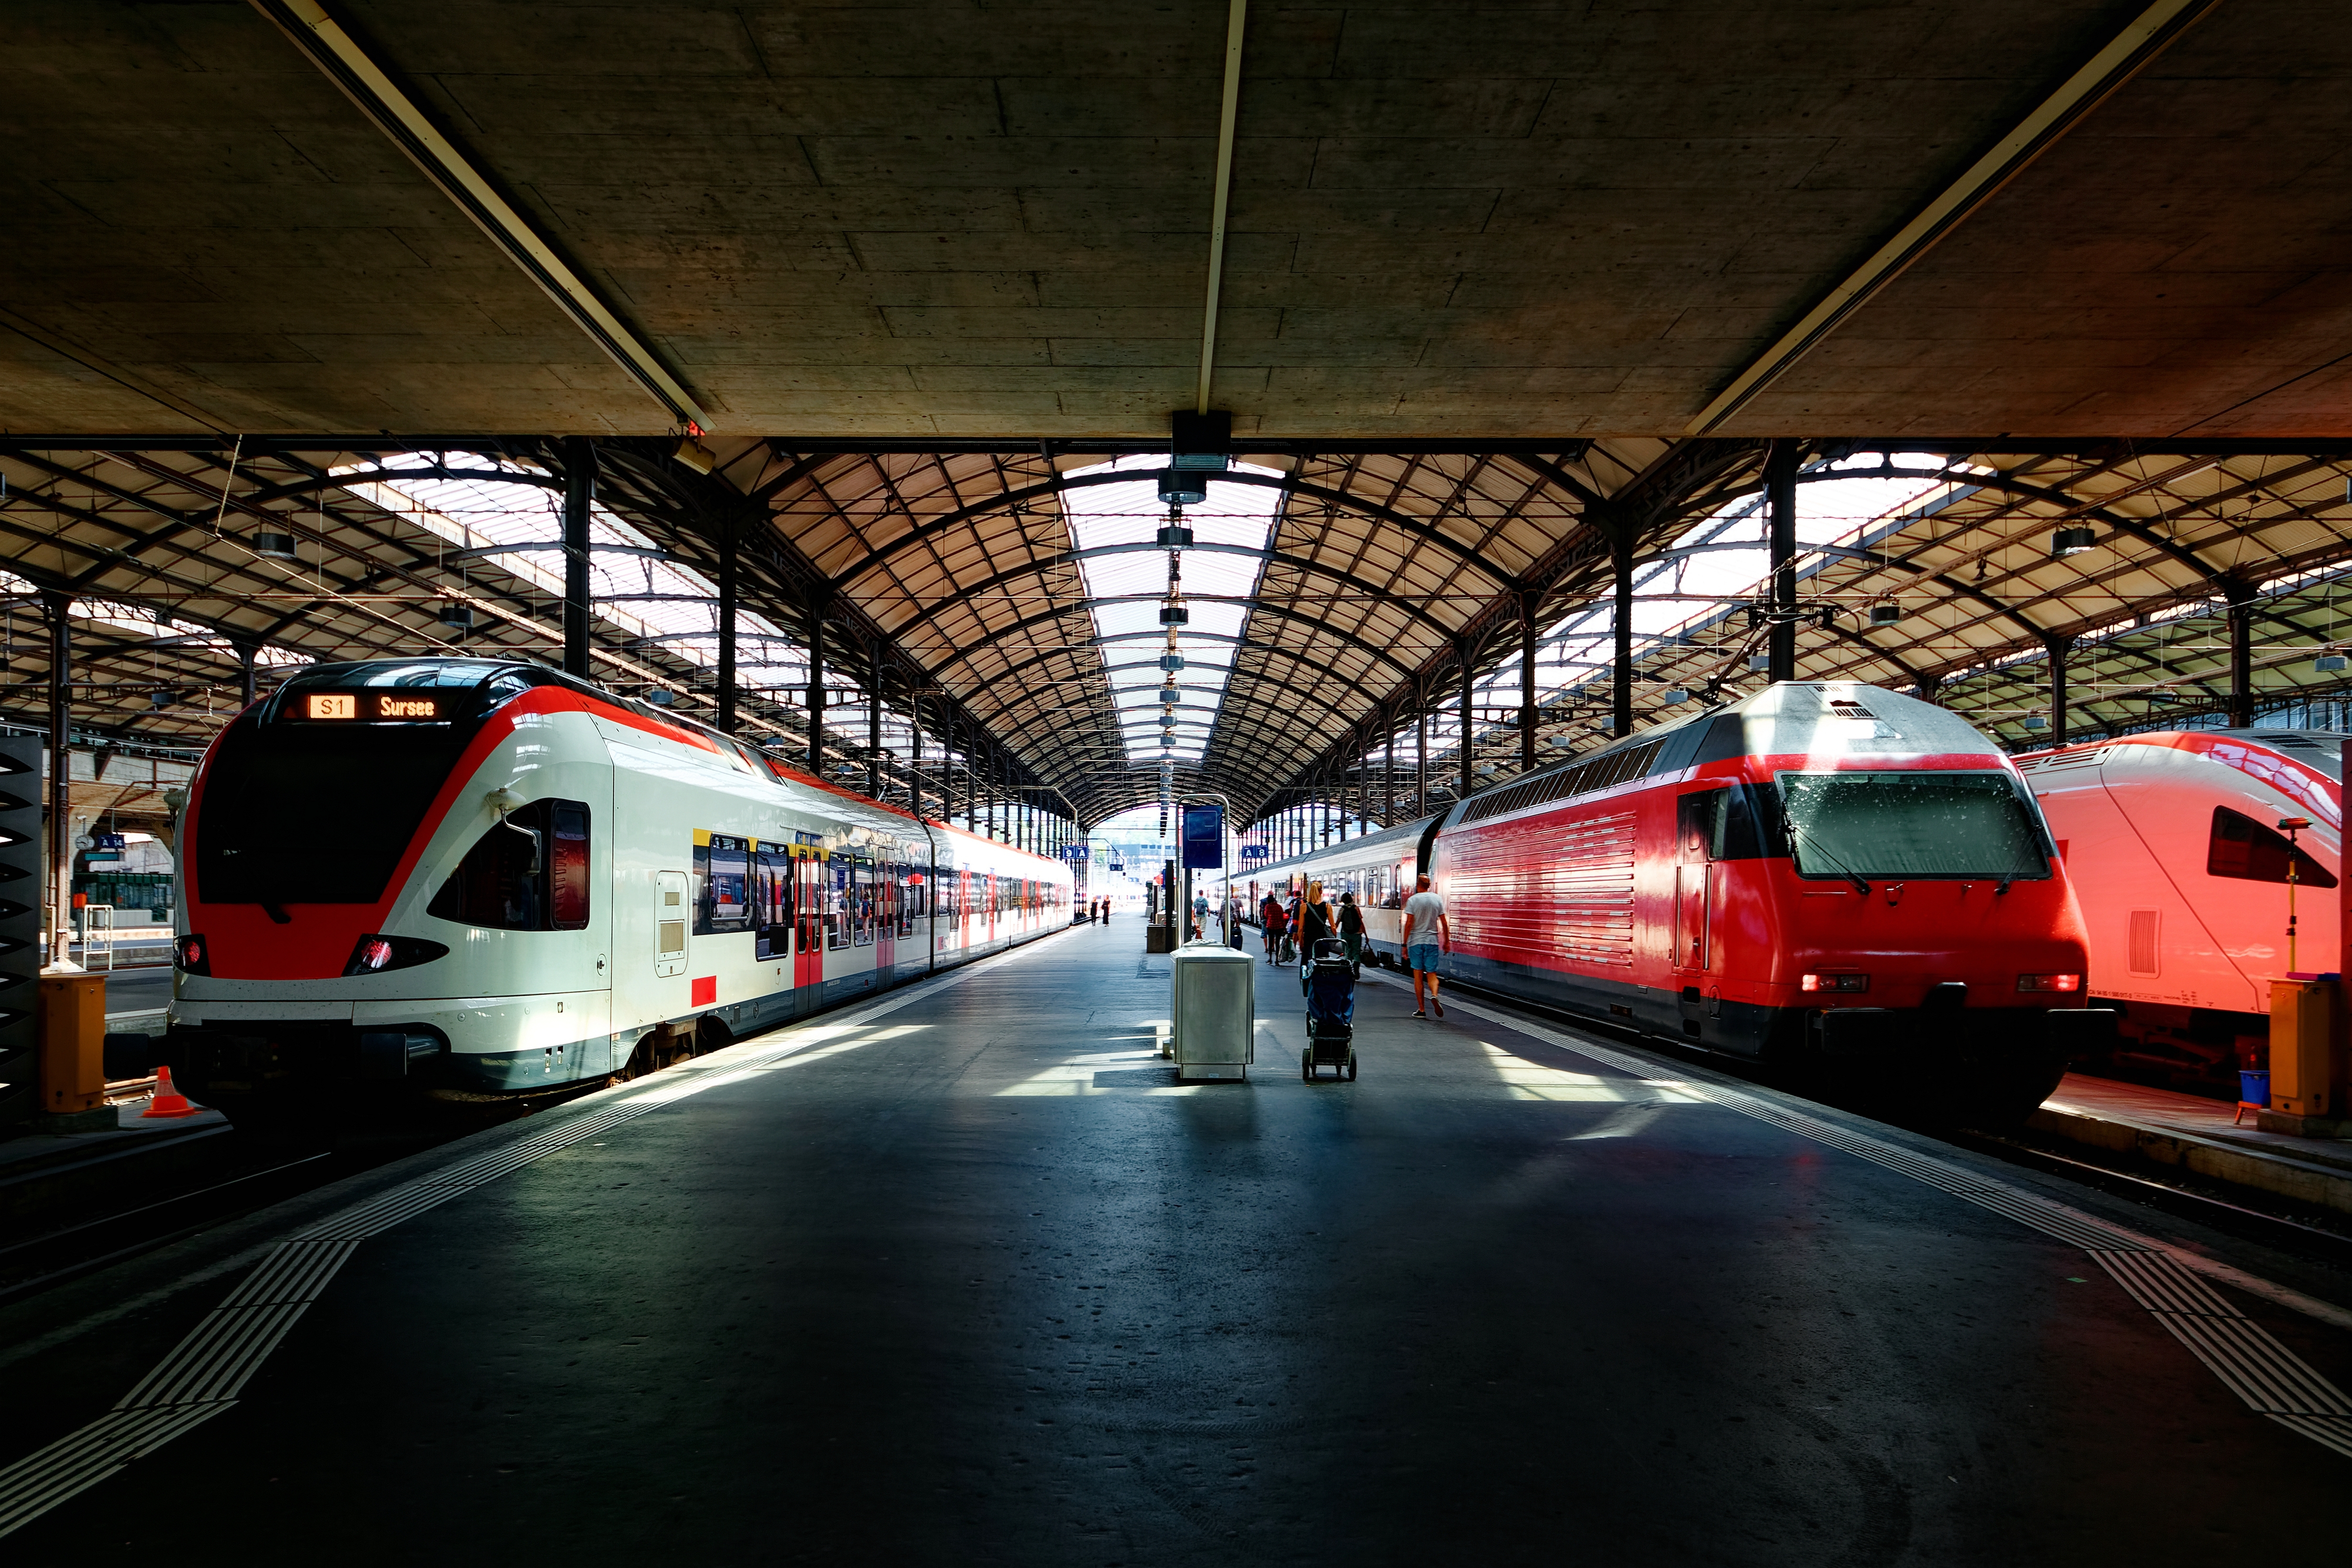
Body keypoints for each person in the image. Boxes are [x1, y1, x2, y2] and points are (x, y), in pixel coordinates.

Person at [1401, 873, 1450, 1018]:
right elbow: (1444, 922)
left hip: (1416, 942)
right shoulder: (1437, 900)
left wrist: (1404, 945)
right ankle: (1434, 995)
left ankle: (1422, 1010)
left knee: (1418, 976)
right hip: (1432, 942)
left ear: (1418, 885)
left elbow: (1409, 923)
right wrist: (1447, 941)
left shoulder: (1412, 901)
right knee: (1432, 974)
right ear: (1429, 886)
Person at [1298, 880, 1334, 956]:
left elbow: (1301, 928)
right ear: (1321, 892)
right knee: (1322, 963)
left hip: (1309, 940)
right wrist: (1333, 940)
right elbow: (1333, 927)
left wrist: (1301, 942)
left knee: (1307, 964)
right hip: (1322, 940)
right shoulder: (1327, 906)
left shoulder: (1304, 907)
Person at [1338, 889, 1365, 976]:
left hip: (1345, 934)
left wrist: (1333, 930)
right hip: (1357, 934)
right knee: (1356, 953)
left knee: (1347, 952)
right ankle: (1356, 970)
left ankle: (1349, 971)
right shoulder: (1356, 908)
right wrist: (1366, 935)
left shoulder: (1343, 909)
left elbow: (1338, 922)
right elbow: (1361, 922)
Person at [1260, 891, 1287, 965]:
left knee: (1271, 942)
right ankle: (1277, 960)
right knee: (1278, 943)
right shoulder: (1279, 906)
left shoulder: (1268, 907)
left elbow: (1266, 915)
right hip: (1279, 926)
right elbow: (1282, 916)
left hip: (1271, 925)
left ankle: (1270, 959)